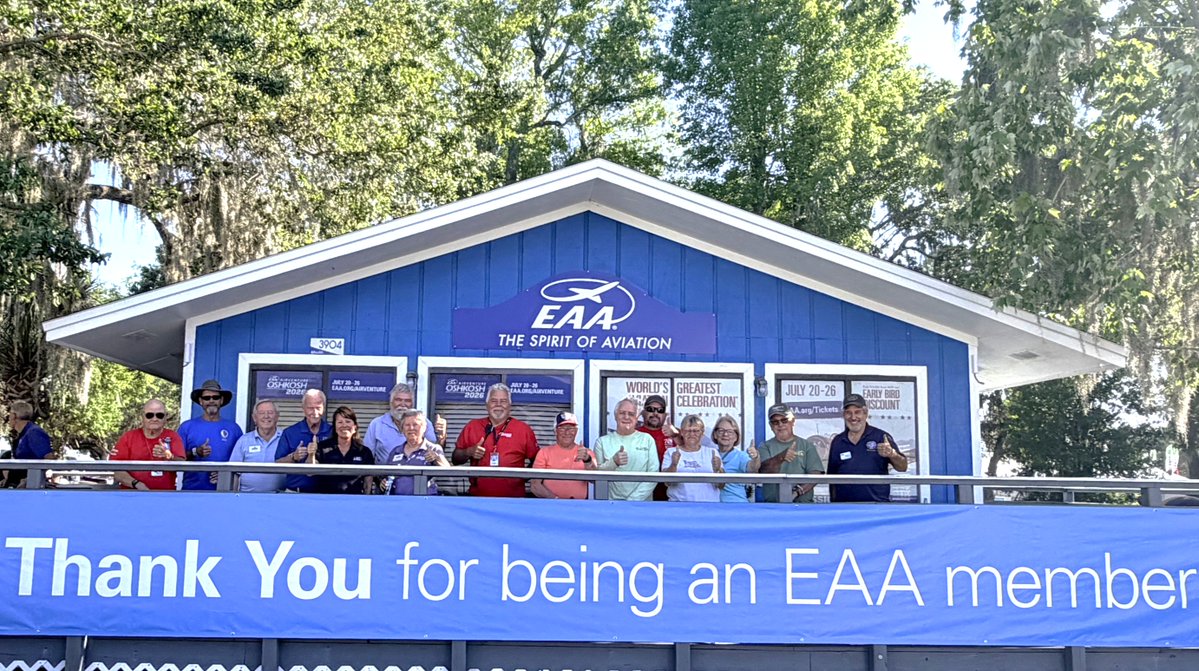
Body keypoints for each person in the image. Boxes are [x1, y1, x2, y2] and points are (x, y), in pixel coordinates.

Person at [452, 383, 540, 497]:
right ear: (487, 405)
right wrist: (469, 452)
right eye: (494, 401)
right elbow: (455, 459)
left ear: (509, 405)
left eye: (503, 401)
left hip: (514, 500)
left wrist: (522, 478)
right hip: (477, 499)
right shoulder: (472, 426)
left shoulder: (524, 430)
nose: (498, 405)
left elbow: (537, 461)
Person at [827, 394, 908, 502]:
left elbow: (903, 467)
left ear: (865, 414)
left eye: (857, 412)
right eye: (848, 413)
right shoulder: (838, 441)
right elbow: (832, 478)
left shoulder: (881, 437)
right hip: (845, 509)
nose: (853, 417)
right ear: (844, 415)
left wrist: (892, 454)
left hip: (876, 508)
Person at [178, 379, 243, 491]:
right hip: (192, 490)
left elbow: (241, 461)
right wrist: (195, 452)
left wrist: (225, 474)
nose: (211, 400)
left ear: (221, 400)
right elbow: (177, 458)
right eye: (207, 398)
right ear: (201, 401)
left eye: (215, 397)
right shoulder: (187, 427)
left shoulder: (234, 428)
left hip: (224, 491)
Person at [111, 399, 185, 490]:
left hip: (164, 496)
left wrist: (170, 456)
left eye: (159, 415)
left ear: (165, 417)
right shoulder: (128, 437)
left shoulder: (173, 436)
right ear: (142, 416)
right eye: (149, 415)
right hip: (132, 495)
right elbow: (116, 469)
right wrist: (136, 484)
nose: (154, 419)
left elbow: (182, 465)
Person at [593, 397, 658, 501]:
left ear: (636, 418)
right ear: (615, 416)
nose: (626, 417)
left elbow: (653, 474)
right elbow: (596, 475)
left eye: (631, 414)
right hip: (612, 505)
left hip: (642, 506)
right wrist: (614, 462)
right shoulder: (602, 442)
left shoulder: (647, 440)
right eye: (622, 413)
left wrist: (632, 500)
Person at [759, 404, 825, 503]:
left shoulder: (807, 445)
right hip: (773, 506)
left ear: (792, 421)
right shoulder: (765, 446)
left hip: (802, 507)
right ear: (771, 426)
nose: (780, 425)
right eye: (775, 422)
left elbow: (816, 474)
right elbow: (763, 472)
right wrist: (781, 458)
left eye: (784, 420)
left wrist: (797, 492)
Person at [364, 383, 438, 465]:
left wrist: (442, 437)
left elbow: (434, 453)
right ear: (391, 402)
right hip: (384, 475)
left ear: (412, 404)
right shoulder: (376, 424)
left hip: (418, 475)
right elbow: (367, 457)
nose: (402, 404)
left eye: (407, 401)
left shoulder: (424, 423)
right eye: (398, 400)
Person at [275, 388, 331, 493]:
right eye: (310, 408)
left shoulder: (332, 432)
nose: (315, 412)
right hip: (295, 493)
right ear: (303, 408)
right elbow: (278, 463)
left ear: (323, 408)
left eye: (318, 408)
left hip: (325, 495)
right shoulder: (290, 432)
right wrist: (294, 457)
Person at [531, 412, 596, 500]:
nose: (567, 432)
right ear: (555, 431)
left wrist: (587, 460)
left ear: (576, 431)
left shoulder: (586, 453)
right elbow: (535, 486)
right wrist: (557, 500)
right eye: (562, 428)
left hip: (579, 506)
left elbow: (594, 479)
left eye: (571, 428)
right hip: (551, 506)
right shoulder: (544, 453)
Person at [384, 409, 449, 495]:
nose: (411, 428)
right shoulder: (395, 451)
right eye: (407, 425)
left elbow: (448, 471)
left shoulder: (433, 448)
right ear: (402, 429)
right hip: (398, 502)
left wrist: (436, 458)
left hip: (425, 502)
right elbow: (386, 477)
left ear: (424, 428)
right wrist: (383, 482)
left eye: (415, 425)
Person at [661, 414, 723, 502]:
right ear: (681, 432)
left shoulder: (712, 452)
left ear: (702, 432)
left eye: (696, 431)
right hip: (679, 507)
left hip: (709, 507)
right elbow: (667, 482)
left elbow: (721, 486)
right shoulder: (671, 452)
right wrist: (674, 465)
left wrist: (718, 471)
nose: (692, 434)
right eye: (688, 431)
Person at [314, 406, 374, 494]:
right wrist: (311, 454)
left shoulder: (364, 452)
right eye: (340, 422)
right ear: (334, 426)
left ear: (355, 427)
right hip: (326, 502)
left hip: (354, 502)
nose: (344, 425)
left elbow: (368, 483)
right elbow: (310, 473)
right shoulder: (322, 447)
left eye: (348, 421)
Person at [228, 400, 285, 493]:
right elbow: (233, 472)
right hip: (247, 497)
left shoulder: (286, 438)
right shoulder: (244, 440)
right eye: (261, 413)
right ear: (255, 418)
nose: (266, 416)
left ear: (277, 417)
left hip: (280, 496)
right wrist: (233, 497)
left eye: (270, 412)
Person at [636, 394, 676, 501]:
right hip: (641, 485)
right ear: (643, 413)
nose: (655, 413)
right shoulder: (635, 432)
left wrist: (676, 435)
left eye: (660, 410)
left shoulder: (672, 433)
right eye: (650, 409)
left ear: (665, 414)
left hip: (666, 487)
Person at [4, 400, 52, 488]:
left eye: (10, 414)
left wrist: (28, 479)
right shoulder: (23, 434)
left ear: (15, 416)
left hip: (28, 486)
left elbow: (49, 458)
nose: (8, 417)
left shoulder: (34, 433)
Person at [712, 414, 759, 503]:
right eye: (721, 430)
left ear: (736, 437)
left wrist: (755, 458)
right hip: (713, 507)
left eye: (730, 431)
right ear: (715, 434)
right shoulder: (709, 454)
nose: (725, 434)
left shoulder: (741, 456)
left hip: (736, 505)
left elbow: (752, 469)